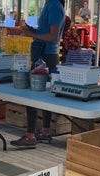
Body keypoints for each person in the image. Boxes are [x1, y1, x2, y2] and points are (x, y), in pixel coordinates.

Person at [10, 0, 65, 148]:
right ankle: (44, 132)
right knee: (44, 95)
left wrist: (30, 33)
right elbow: (45, 32)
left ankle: (30, 134)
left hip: (46, 56)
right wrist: (32, 31)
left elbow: (53, 36)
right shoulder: (51, 5)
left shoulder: (54, 6)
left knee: (33, 94)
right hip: (45, 55)